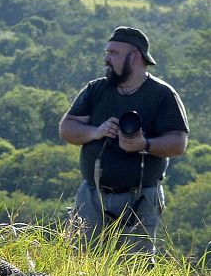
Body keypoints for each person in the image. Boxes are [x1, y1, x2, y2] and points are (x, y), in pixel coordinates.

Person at [59, 26, 189, 256]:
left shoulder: (163, 95)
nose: (107, 58)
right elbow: (67, 128)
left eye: (114, 53)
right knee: (78, 261)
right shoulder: (96, 89)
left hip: (141, 198)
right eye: (107, 52)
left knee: (134, 267)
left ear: (135, 56)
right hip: (92, 195)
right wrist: (95, 132)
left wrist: (145, 145)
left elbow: (178, 143)